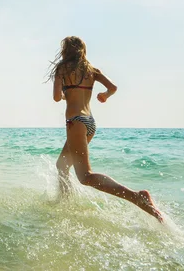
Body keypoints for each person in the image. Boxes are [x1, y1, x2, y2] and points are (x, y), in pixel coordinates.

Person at [48, 36, 163, 222]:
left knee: (85, 176)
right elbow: (113, 87)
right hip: (90, 123)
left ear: (66, 51)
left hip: (75, 122)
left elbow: (55, 97)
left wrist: (64, 94)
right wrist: (105, 95)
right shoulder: (92, 70)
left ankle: (137, 197)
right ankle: (64, 204)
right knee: (62, 165)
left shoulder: (62, 69)